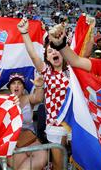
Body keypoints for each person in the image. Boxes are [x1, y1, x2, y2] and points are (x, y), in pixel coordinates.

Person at [17, 18, 69, 170]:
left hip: (74, 124)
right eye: (49, 51)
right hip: (55, 124)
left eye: (56, 49)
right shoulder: (47, 72)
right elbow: (33, 55)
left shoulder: (72, 70)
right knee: (60, 165)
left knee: (76, 160)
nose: (53, 52)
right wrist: (25, 33)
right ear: (47, 58)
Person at [0, 71, 47, 170]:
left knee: (43, 156)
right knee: (24, 161)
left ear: (23, 87)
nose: (16, 86)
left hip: (29, 138)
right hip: (10, 140)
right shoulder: (5, 99)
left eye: (19, 83)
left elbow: (38, 98)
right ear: (9, 87)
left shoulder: (28, 98)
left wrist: (39, 86)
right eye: (13, 83)